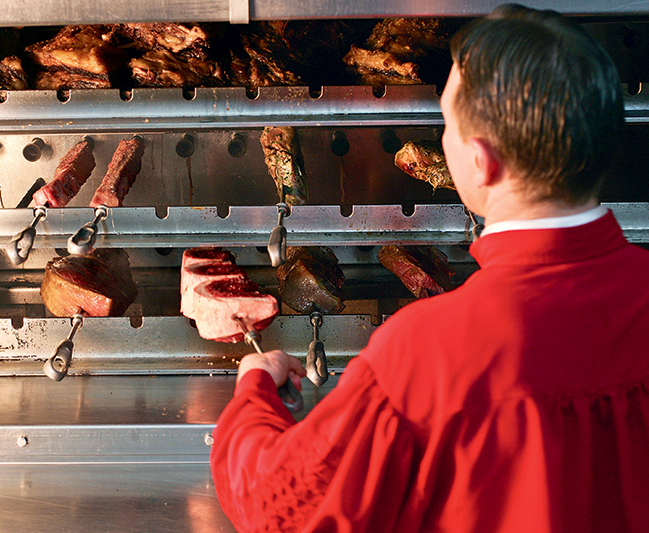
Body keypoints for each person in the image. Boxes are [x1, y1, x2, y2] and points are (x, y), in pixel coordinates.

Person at [210, 4, 649, 532]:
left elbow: (277, 506)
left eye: (449, 124)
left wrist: (254, 394)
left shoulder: (425, 354)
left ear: (482, 162)